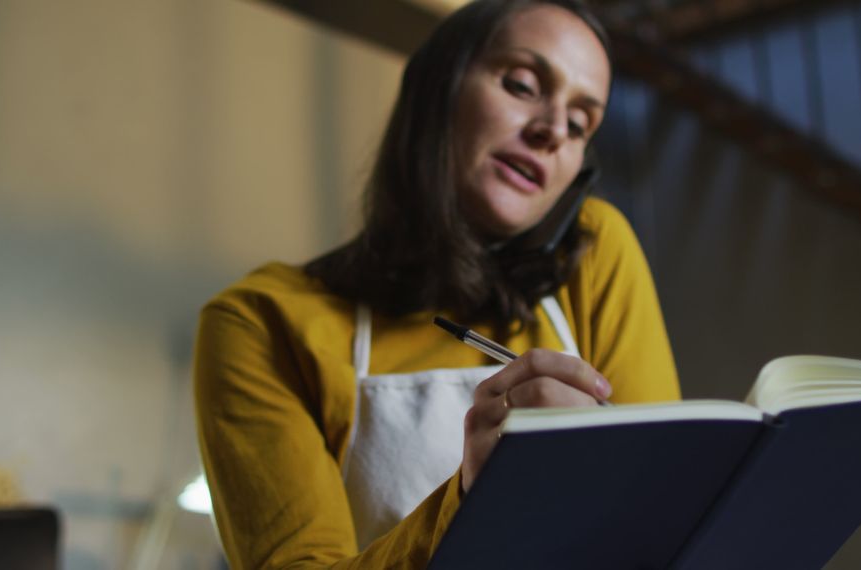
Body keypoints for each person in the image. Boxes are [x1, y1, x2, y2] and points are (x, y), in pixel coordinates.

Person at [193, 1, 681, 568]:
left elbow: (660, 521)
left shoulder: (593, 252)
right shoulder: (262, 322)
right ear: (436, 92)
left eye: (579, 125)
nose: (552, 131)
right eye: (522, 85)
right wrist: (471, 499)